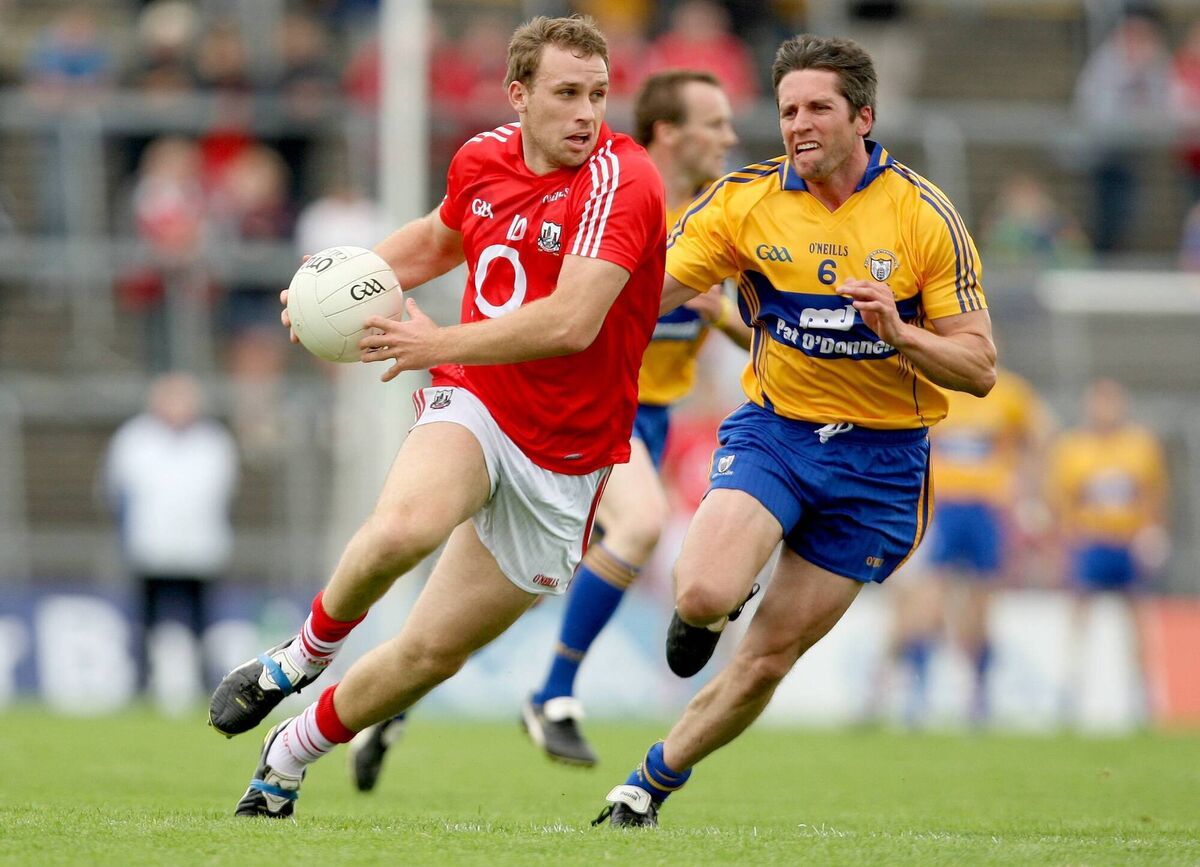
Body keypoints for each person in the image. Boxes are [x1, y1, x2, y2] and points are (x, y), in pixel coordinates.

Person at [207, 15, 668, 819]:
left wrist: (435, 338)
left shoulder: (622, 181)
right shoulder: (482, 158)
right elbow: (434, 239)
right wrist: (326, 289)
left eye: (598, 94)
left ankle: (287, 755)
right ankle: (298, 657)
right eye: (566, 94)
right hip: (479, 398)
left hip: (567, 459)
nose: (587, 113)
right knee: (402, 529)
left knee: (429, 651)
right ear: (518, 95)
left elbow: (571, 324)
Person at [592, 33, 996, 828]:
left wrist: (900, 332)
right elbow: (643, 295)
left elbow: (979, 368)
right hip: (778, 431)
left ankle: (647, 782)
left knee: (768, 658)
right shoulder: (742, 202)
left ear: (863, 118)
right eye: (786, 110)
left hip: (881, 466)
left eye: (818, 108)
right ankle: (716, 597)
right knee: (701, 589)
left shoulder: (922, 215)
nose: (798, 124)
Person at [345, 69, 746, 785]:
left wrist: (723, 317)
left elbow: (774, 334)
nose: (730, 136)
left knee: (488, 606)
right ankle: (555, 690)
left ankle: (390, 705)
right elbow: (563, 311)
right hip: (571, 417)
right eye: (714, 123)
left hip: (644, 423)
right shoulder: (609, 195)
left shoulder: (717, 223)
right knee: (643, 523)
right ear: (667, 133)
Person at [885, 367, 1052, 727]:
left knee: (980, 607)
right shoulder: (932, 387)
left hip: (988, 509)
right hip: (940, 507)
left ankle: (979, 693)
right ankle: (918, 692)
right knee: (927, 601)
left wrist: (1028, 489)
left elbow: (1041, 434)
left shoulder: (1008, 393)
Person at [103, 373, 239, 699]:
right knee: (146, 623)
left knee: (202, 625)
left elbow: (223, 493)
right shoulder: (135, 439)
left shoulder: (213, 441)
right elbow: (115, 491)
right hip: (150, 548)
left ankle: (206, 686)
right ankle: (141, 684)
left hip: (199, 550)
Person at [1046, 379, 1169, 726]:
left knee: (1137, 620)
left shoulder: (1140, 445)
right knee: (1079, 616)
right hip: (1090, 541)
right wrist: (1067, 542)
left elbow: (1154, 493)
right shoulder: (1073, 447)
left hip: (1128, 543)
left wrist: (1152, 532)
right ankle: (1070, 693)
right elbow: (1061, 500)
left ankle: (1142, 699)